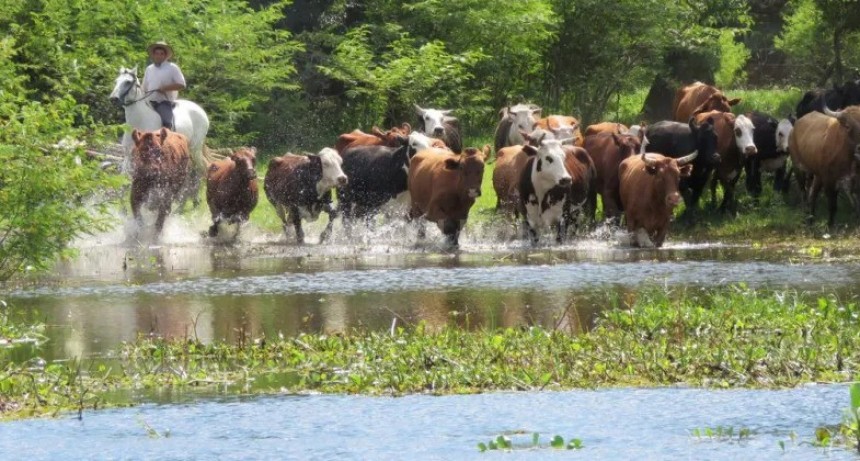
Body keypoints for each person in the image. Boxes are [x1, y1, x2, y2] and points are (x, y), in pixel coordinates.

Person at [142, 41, 186, 130]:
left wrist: (165, 88)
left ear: (165, 56)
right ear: (153, 55)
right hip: (148, 102)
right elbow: (144, 87)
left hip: (163, 102)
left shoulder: (172, 67)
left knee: (166, 122)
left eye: (161, 54)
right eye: (157, 53)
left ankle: (167, 141)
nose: (159, 56)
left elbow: (182, 84)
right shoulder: (149, 69)